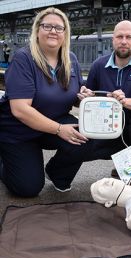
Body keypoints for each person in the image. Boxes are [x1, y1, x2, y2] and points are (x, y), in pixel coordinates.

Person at [0, 7, 98, 197]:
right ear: (37, 31)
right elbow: (20, 110)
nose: (53, 31)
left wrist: (84, 96)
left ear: (65, 33)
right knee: (28, 189)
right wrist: (60, 129)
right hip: (18, 131)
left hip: (51, 123)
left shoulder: (70, 59)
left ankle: (57, 174)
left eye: (59, 28)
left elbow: (75, 94)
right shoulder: (24, 59)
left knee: (85, 135)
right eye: (47, 26)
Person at [86, 20, 131, 186]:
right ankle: (57, 174)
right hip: (107, 127)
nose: (124, 41)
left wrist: (124, 101)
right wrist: (83, 96)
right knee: (78, 147)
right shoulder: (98, 65)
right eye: (119, 36)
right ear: (113, 40)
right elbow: (84, 101)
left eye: (129, 37)